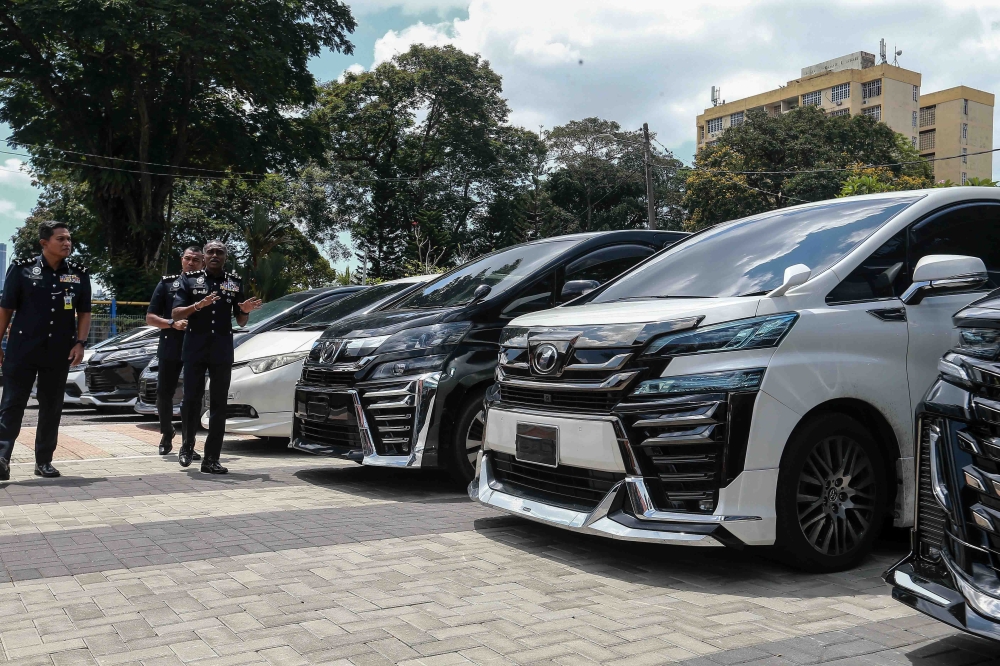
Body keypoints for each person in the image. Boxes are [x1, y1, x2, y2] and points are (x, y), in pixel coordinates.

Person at [0, 221, 91, 480]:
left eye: (69, 239)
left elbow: (84, 312)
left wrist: (80, 343)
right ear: (44, 243)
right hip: (23, 348)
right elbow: (5, 308)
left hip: (59, 350)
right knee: (12, 404)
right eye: (61, 239)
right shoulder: (21, 269)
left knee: (51, 407)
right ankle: (2, 458)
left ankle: (44, 461)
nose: (67, 243)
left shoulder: (78, 273)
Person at [172, 240, 261, 473]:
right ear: (203, 256)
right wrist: (198, 305)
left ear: (225, 256)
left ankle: (211, 458)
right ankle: (187, 446)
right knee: (191, 400)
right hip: (195, 348)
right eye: (210, 252)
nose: (214, 255)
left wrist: (244, 311)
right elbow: (176, 312)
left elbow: (240, 319)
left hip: (221, 349)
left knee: (219, 404)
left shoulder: (233, 282)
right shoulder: (189, 280)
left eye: (219, 252)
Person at [145, 246, 205, 457]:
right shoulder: (168, 283)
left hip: (197, 345)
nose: (191, 263)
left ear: (203, 263)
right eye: (188, 259)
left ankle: (188, 443)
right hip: (171, 344)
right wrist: (172, 323)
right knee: (164, 392)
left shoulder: (207, 286)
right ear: (181, 260)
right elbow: (150, 318)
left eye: (196, 260)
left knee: (192, 396)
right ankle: (166, 432)